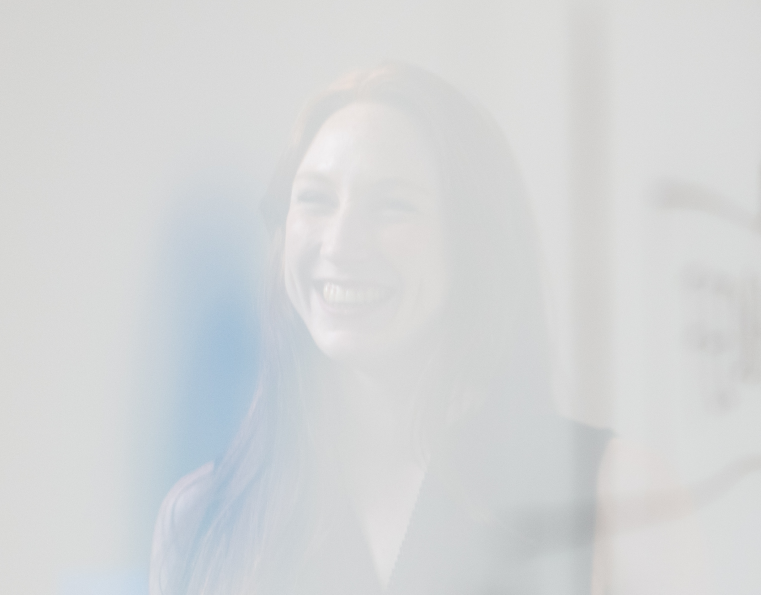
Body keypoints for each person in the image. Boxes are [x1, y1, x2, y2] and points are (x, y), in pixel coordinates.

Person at [150, 64, 610, 595]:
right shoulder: (198, 522)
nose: (342, 244)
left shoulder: (609, 499)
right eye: (315, 200)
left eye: (393, 206)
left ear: (475, 247)